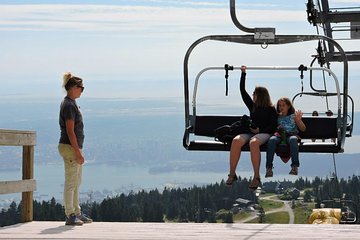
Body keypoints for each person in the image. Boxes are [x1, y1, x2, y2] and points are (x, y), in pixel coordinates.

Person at [226, 66, 277, 190]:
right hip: (251, 131)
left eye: (254, 94)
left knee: (253, 143)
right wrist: (243, 74)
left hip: (264, 133)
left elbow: (273, 126)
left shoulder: (271, 109)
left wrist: (260, 130)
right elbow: (243, 91)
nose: (253, 95)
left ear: (260, 96)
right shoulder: (252, 106)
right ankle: (232, 173)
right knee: (236, 141)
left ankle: (256, 176)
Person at [58, 72, 93, 226]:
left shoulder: (70, 103)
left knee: (76, 181)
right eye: (81, 87)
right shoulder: (69, 105)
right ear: (73, 88)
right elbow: (70, 131)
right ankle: (70, 215)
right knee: (71, 182)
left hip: (73, 147)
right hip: (70, 147)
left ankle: (76, 212)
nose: (82, 90)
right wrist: (78, 152)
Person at [265, 97, 306, 178]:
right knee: (272, 140)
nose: (281, 107)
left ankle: (294, 166)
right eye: (280, 105)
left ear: (288, 106)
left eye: (283, 105)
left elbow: (303, 129)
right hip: (279, 135)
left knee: (293, 140)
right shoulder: (277, 117)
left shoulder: (293, 116)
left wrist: (298, 121)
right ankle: (269, 168)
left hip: (291, 135)